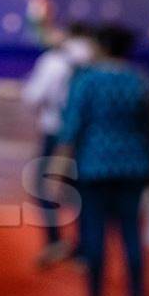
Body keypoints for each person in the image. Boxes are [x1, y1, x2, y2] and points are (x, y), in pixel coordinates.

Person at [51, 25, 149, 296]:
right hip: (135, 167)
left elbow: (71, 127)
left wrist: (57, 168)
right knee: (132, 234)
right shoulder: (140, 80)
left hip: (94, 166)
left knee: (94, 235)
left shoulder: (87, 80)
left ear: (101, 45)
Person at [22, 22, 95, 267]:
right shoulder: (95, 59)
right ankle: (85, 249)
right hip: (87, 136)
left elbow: (33, 96)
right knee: (83, 192)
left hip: (56, 132)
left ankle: (54, 241)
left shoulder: (53, 60)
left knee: (43, 187)